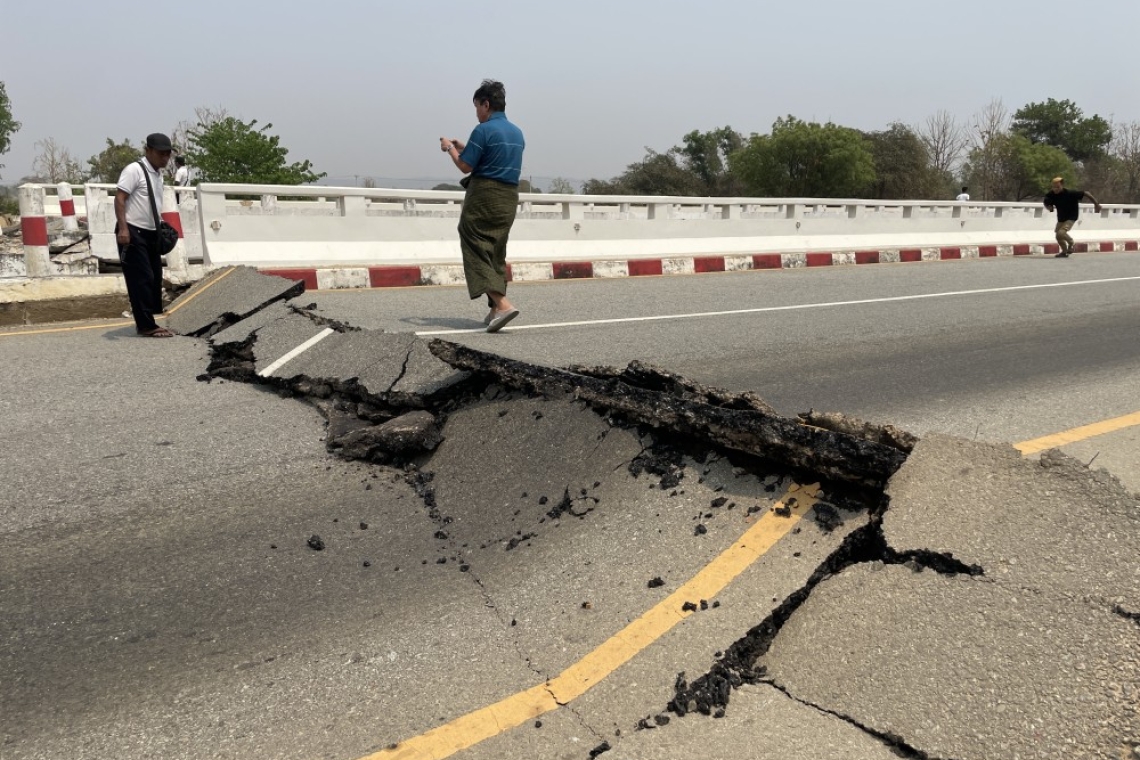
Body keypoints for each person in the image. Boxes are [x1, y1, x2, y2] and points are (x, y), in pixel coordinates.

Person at [439, 79, 526, 333]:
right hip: (509, 197)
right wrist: (464, 149)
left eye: (477, 106)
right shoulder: (516, 132)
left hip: (485, 195)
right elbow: (490, 159)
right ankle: (494, 310)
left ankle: (503, 304)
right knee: (495, 250)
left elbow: (466, 166)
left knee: (473, 242)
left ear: (486, 104)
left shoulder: (483, 130)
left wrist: (449, 149)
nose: (477, 112)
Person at [115, 133, 174, 337]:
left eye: (168, 154)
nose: (165, 158)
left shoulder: (158, 174)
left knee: (155, 277)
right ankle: (145, 325)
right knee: (141, 278)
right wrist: (123, 229)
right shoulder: (134, 170)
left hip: (150, 233)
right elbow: (120, 198)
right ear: (148, 150)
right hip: (132, 231)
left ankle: (150, 318)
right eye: (161, 154)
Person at [1043, 176, 1102, 258]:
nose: (1055, 189)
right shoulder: (1051, 194)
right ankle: (1064, 252)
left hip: (1072, 216)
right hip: (1061, 217)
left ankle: (1071, 243)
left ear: (1062, 186)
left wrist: (1096, 204)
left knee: (1061, 233)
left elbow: (1086, 193)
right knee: (1058, 236)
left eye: (1058, 187)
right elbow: (1046, 201)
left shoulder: (1070, 193)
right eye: (1054, 187)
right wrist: (1049, 207)